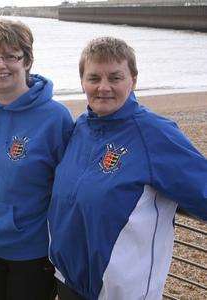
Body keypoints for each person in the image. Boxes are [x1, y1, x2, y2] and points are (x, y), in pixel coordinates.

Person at [48, 36, 207, 300]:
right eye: (94, 78)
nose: (103, 87)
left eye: (115, 77)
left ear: (133, 79)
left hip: (120, 291)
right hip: (69, 280)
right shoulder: (81, 127)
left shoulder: (154, 134)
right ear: (82, 82)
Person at [0, 19, 74, 300]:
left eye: (10, 56)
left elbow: (67, 188)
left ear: (26, 60)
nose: (0, 65)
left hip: (32, 248)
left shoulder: (55, 117)